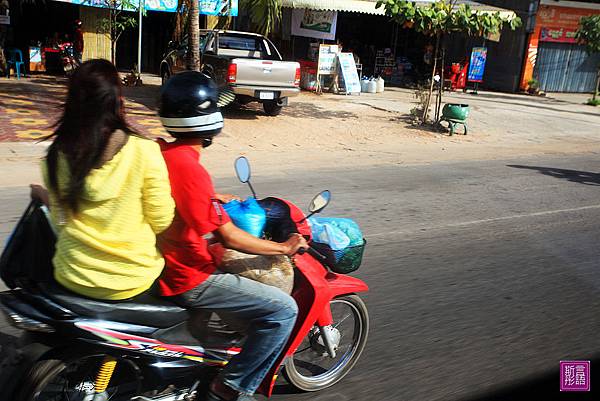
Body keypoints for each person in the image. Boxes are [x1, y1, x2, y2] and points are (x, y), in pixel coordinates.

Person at [156, 71, 307, 401]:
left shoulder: (162, 153)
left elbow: (186, 200)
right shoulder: (192, 170)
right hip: (189, 276)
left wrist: (214, 196)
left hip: (162, 261)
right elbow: (230, 238)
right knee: (283, 311)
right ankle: (232, 387)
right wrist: (284, 246)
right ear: (208, 119)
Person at [35, 59, 175, 300]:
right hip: (131, 281)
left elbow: (60, 221)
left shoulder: (55, 156)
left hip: (71, 274)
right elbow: (162, 220)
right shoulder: (143, 151)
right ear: (116, 101)